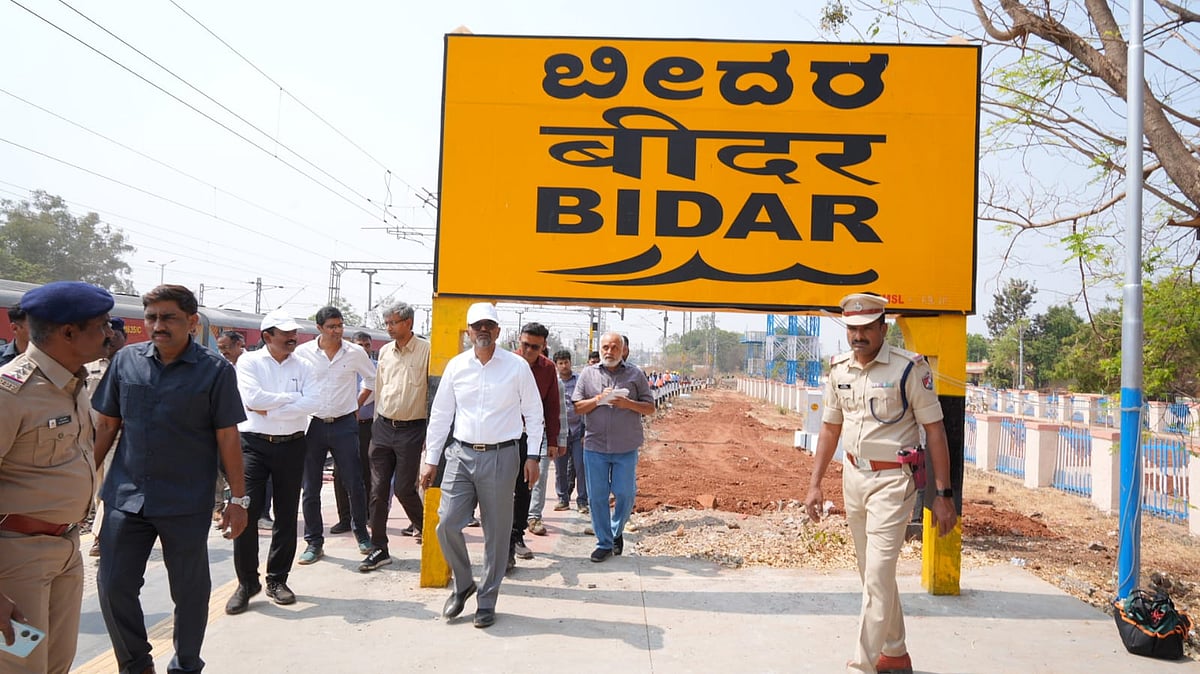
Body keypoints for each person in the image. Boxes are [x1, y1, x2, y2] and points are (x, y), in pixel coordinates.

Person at [92, 285, 248, 674]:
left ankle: (186, 665)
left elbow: (227, 437)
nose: (157, 326)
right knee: (113, 586)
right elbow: (108, 424)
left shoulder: (215, 371)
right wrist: (81, 479)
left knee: (190, 593)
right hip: (126, 496)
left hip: (186, 499)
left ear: (192, 323)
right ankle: (136, 664)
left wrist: (238, 500)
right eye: (151, 318)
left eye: (168, 318)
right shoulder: (126, 361)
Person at [804, 293, 956, 674]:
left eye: (866, 329)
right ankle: (895, 651)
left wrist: (943, 494)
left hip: (893, 480)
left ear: (882, 328)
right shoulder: (839, 370)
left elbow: (935, 431)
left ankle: (862, 664)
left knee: (877, 574)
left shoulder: (909, 370)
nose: (858, 337)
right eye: (852, 329)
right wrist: (815, 483)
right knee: (872, 572)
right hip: (853, 477)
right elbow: (829, 427)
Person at [0, 281, 114, 674]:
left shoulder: (72, 382)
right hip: (17, 559)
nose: (109, 333)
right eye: (100, 325)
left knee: (55, 666)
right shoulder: (10, 392)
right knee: (20, 667)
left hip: (65, 547)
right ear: (69, 332)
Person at [420, 302, 543, 629]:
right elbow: (441, 415)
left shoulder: (517, 367)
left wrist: (533, 456)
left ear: (498, 331)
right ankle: (463, 583)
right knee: (446, 523)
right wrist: (430, 460)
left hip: (503, 456)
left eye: (489, 325)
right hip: (460, 455)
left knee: (497, 534)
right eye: (477, 326)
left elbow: (534, 413)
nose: (483, 331)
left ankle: (487, 601)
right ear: (469, 330)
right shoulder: (457, 367)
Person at [225, 309, 319, 615]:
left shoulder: (304, 365)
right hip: (252, 446)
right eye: (285, 334)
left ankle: (278, 579)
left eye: (294, 334)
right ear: (267, 337)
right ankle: (247, 582)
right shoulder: (249, 363)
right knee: (246, 512)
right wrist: (291, 400)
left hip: (292, 445)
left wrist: (272, 406)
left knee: (286, 515)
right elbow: (252, 400)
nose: (293, 339)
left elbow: (314, 402)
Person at [294, 307, 376, 564]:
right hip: (313, 425)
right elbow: (294, 383)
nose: (337, 331)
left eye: (340, 325)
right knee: (311, 487)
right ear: (318, 328)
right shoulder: (303, 353)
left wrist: (357, 403)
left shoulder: (355, 353)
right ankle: (314, 542)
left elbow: (372, 381)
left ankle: (362, 534)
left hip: (344, 424)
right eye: (331, 326)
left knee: (354, 481)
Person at [572, 332, 655, 562]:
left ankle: (616, 530)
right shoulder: (588, 374)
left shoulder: (635, 374)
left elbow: (650, 408)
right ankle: (604, 543)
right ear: (600, 349)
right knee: (597, 497)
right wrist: (598, 399)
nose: (609, 352)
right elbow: (578, 408)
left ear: (623, 350)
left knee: (625, 493)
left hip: (626, 446)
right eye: (606, 347)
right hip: (595, 446)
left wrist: (627, 403)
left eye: (614, 347)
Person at [359, 304, 429, 572]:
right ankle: (379, 548)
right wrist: (377, 424)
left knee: (403, 488)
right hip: (383, 428)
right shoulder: (385, 352)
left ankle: (429, 531)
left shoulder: (427, 351)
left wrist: (428, 435)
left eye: (393, 322)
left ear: (409, 322)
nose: (388, 327)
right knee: (377, 492)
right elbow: (379, 389)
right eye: (386, 322)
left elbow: (432, 395)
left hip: (412, 429)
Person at [508, 322, 560, 567]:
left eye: (535, 347)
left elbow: (551, 406)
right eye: (525, 345)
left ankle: (517, 536)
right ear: (519, 340)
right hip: (502, 435)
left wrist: (552, 441)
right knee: (499, 490)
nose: (528, 350)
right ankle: (500, 540)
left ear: (544, 346)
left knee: (525, 487)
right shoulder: (505, 363)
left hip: (530, 437)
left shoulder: (548, 369)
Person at [83, 317, 128, 558]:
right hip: (87, 436)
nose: (110, 339)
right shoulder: (88, 367)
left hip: (117, 438)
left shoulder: (129, 367)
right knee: (93, 486)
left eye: (115, 335)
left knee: (107, 488)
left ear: (124, 338)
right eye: (107, 336)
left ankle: (100, 537)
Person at [331, 331, 376, 537]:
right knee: (341, 473)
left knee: (367, 471)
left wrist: (355, 406)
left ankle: (365, 514)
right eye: (360, 345)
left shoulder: (375, 369)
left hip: (368, 426)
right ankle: (344, 518)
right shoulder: (343, 366)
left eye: (367, 345)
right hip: (344, 425)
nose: (364, 349)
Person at [551, 349, 587, 514]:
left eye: (566, 362)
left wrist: (586, 432)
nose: (564, 366)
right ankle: (563, 499)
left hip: (578, 432)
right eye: (561, 363)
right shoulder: (553, 382)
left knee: (581, 467)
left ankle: (582, 501)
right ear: (556, 365)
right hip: (560, 433)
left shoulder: (580, 381)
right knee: (560, 469)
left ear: (570, 363)